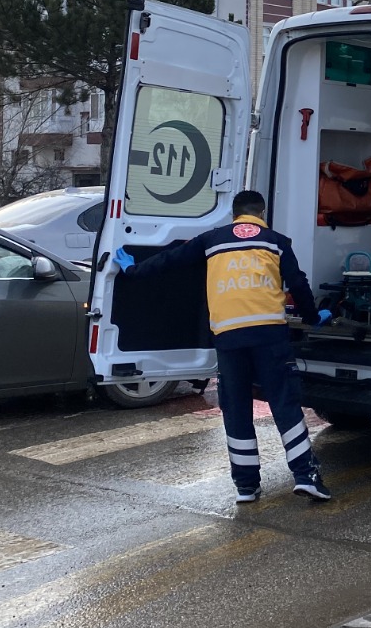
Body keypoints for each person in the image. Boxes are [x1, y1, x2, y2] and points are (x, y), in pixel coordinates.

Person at [112, 189, 333, 503]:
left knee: (237, 408)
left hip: (229, 339)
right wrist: (313, 318)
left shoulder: (211, 240)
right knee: (284, 403)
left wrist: (133, 270)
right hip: (269, 336)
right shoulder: (276, 241)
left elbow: (169, 261)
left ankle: (246, 487)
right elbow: (297, 284)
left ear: (234, 214)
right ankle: (306, 476)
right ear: (262, 212)